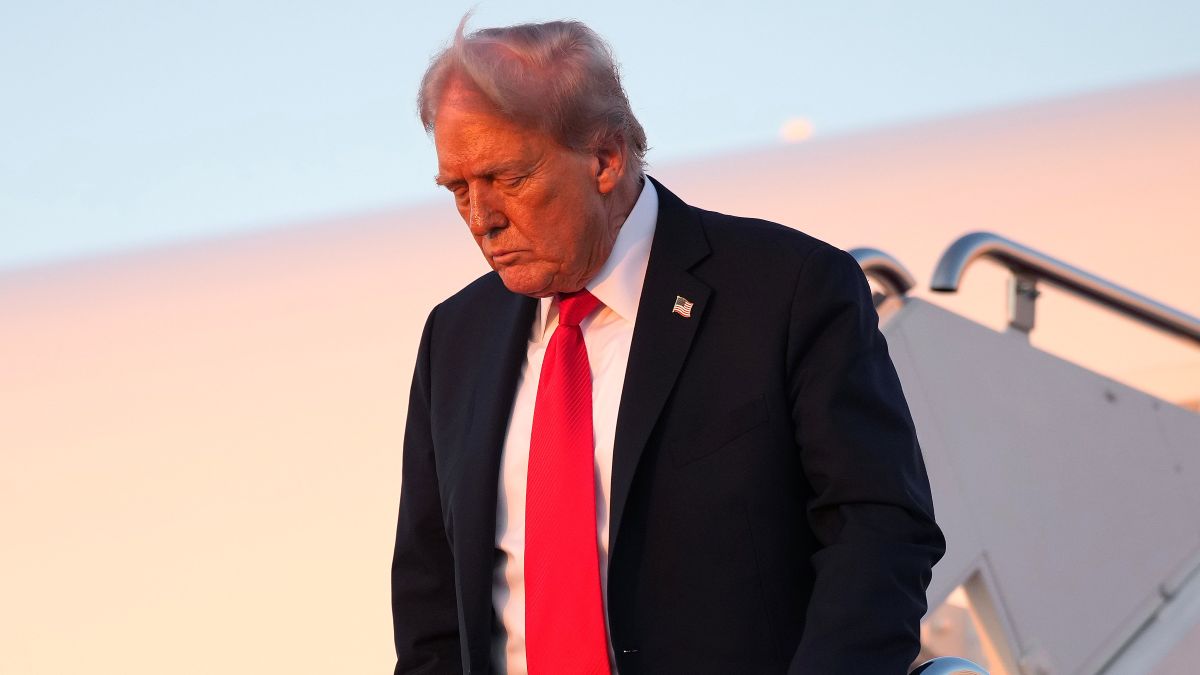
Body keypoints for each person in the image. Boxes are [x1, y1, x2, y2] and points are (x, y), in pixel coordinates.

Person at [391, 17, 946, 675]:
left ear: (606, 157)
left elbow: (879, 532)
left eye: (507, 178)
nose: (481, 217)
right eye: (458, 188)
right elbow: (432, 612)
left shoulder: (787, 291)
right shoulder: (454, 338)